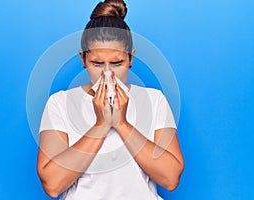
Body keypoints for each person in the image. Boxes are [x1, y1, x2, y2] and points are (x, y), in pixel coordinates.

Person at [37, 0, 184, 199]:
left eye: (117, 63)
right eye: (97, 63)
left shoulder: (154, 100)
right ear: (83, 59)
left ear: (131, 59)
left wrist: (121, 123)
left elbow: (171, 178)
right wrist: (101, 124)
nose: (107, 74)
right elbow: (52, 185)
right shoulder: (60, 104)